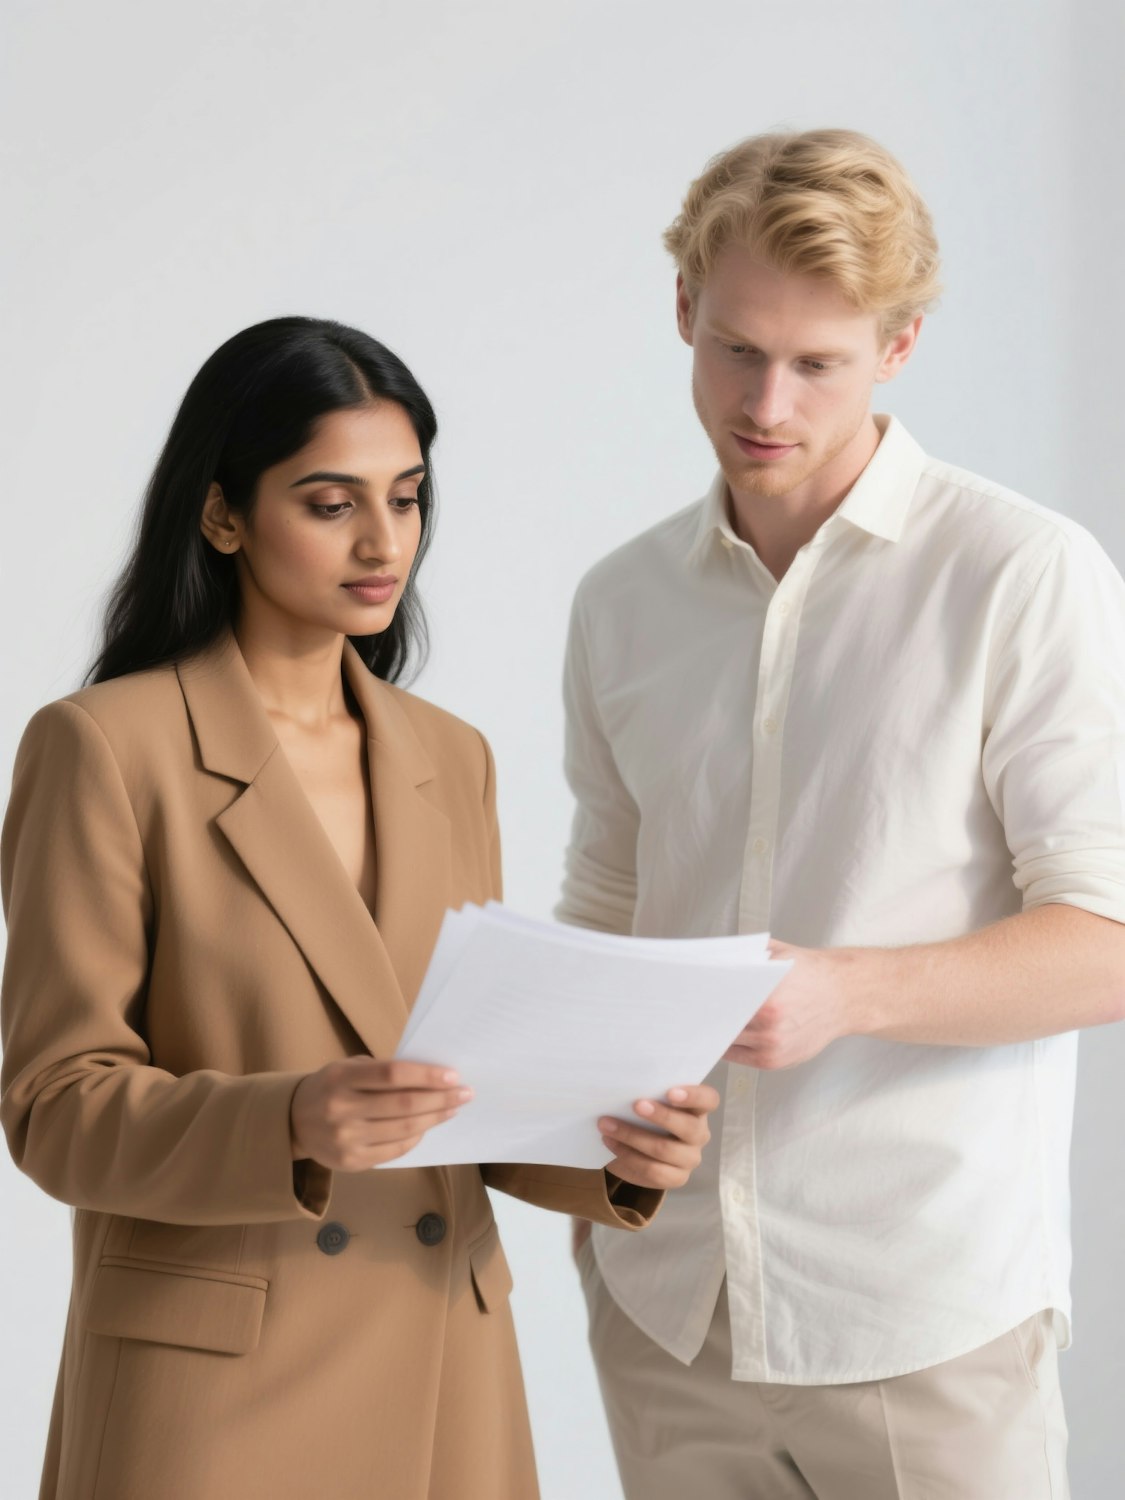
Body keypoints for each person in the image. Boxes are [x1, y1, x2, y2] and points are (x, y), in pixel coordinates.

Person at [0, 316, 719, 1500]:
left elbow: (460, 1089)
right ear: (224, 514)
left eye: (409, 497)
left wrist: (617, 1146)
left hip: (443, 1359)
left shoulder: (450, 757)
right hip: (219, 1389)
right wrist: (289, 1121)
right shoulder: (105, 749)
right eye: (331, 503)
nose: (385, 542)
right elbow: (54, 1109)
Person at [560, 129, 1125, 1500]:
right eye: (736, 349)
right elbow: (603, 922)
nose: (767, 402)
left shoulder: (1020, 575)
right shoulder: (622, 602)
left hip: (923, 1318)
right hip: (668, 1309)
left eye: (818, 363)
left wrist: (845, 993)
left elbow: (1107, 936)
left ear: (900, 345)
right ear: (683, 310)